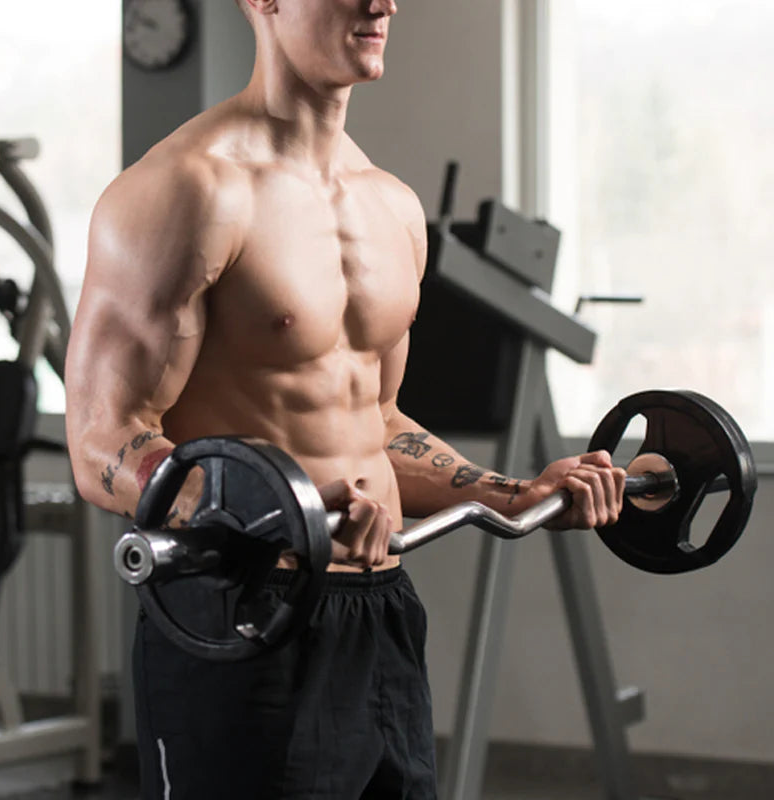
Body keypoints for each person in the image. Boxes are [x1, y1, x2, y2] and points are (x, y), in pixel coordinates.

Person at [65, 0, 626, 797]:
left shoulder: (391, 208)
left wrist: (516, 492)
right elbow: (101, 441)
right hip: (244, 616)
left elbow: (380, 422)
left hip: (380, 609)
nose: (382, 3)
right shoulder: (184, 191)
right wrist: (276, 507)